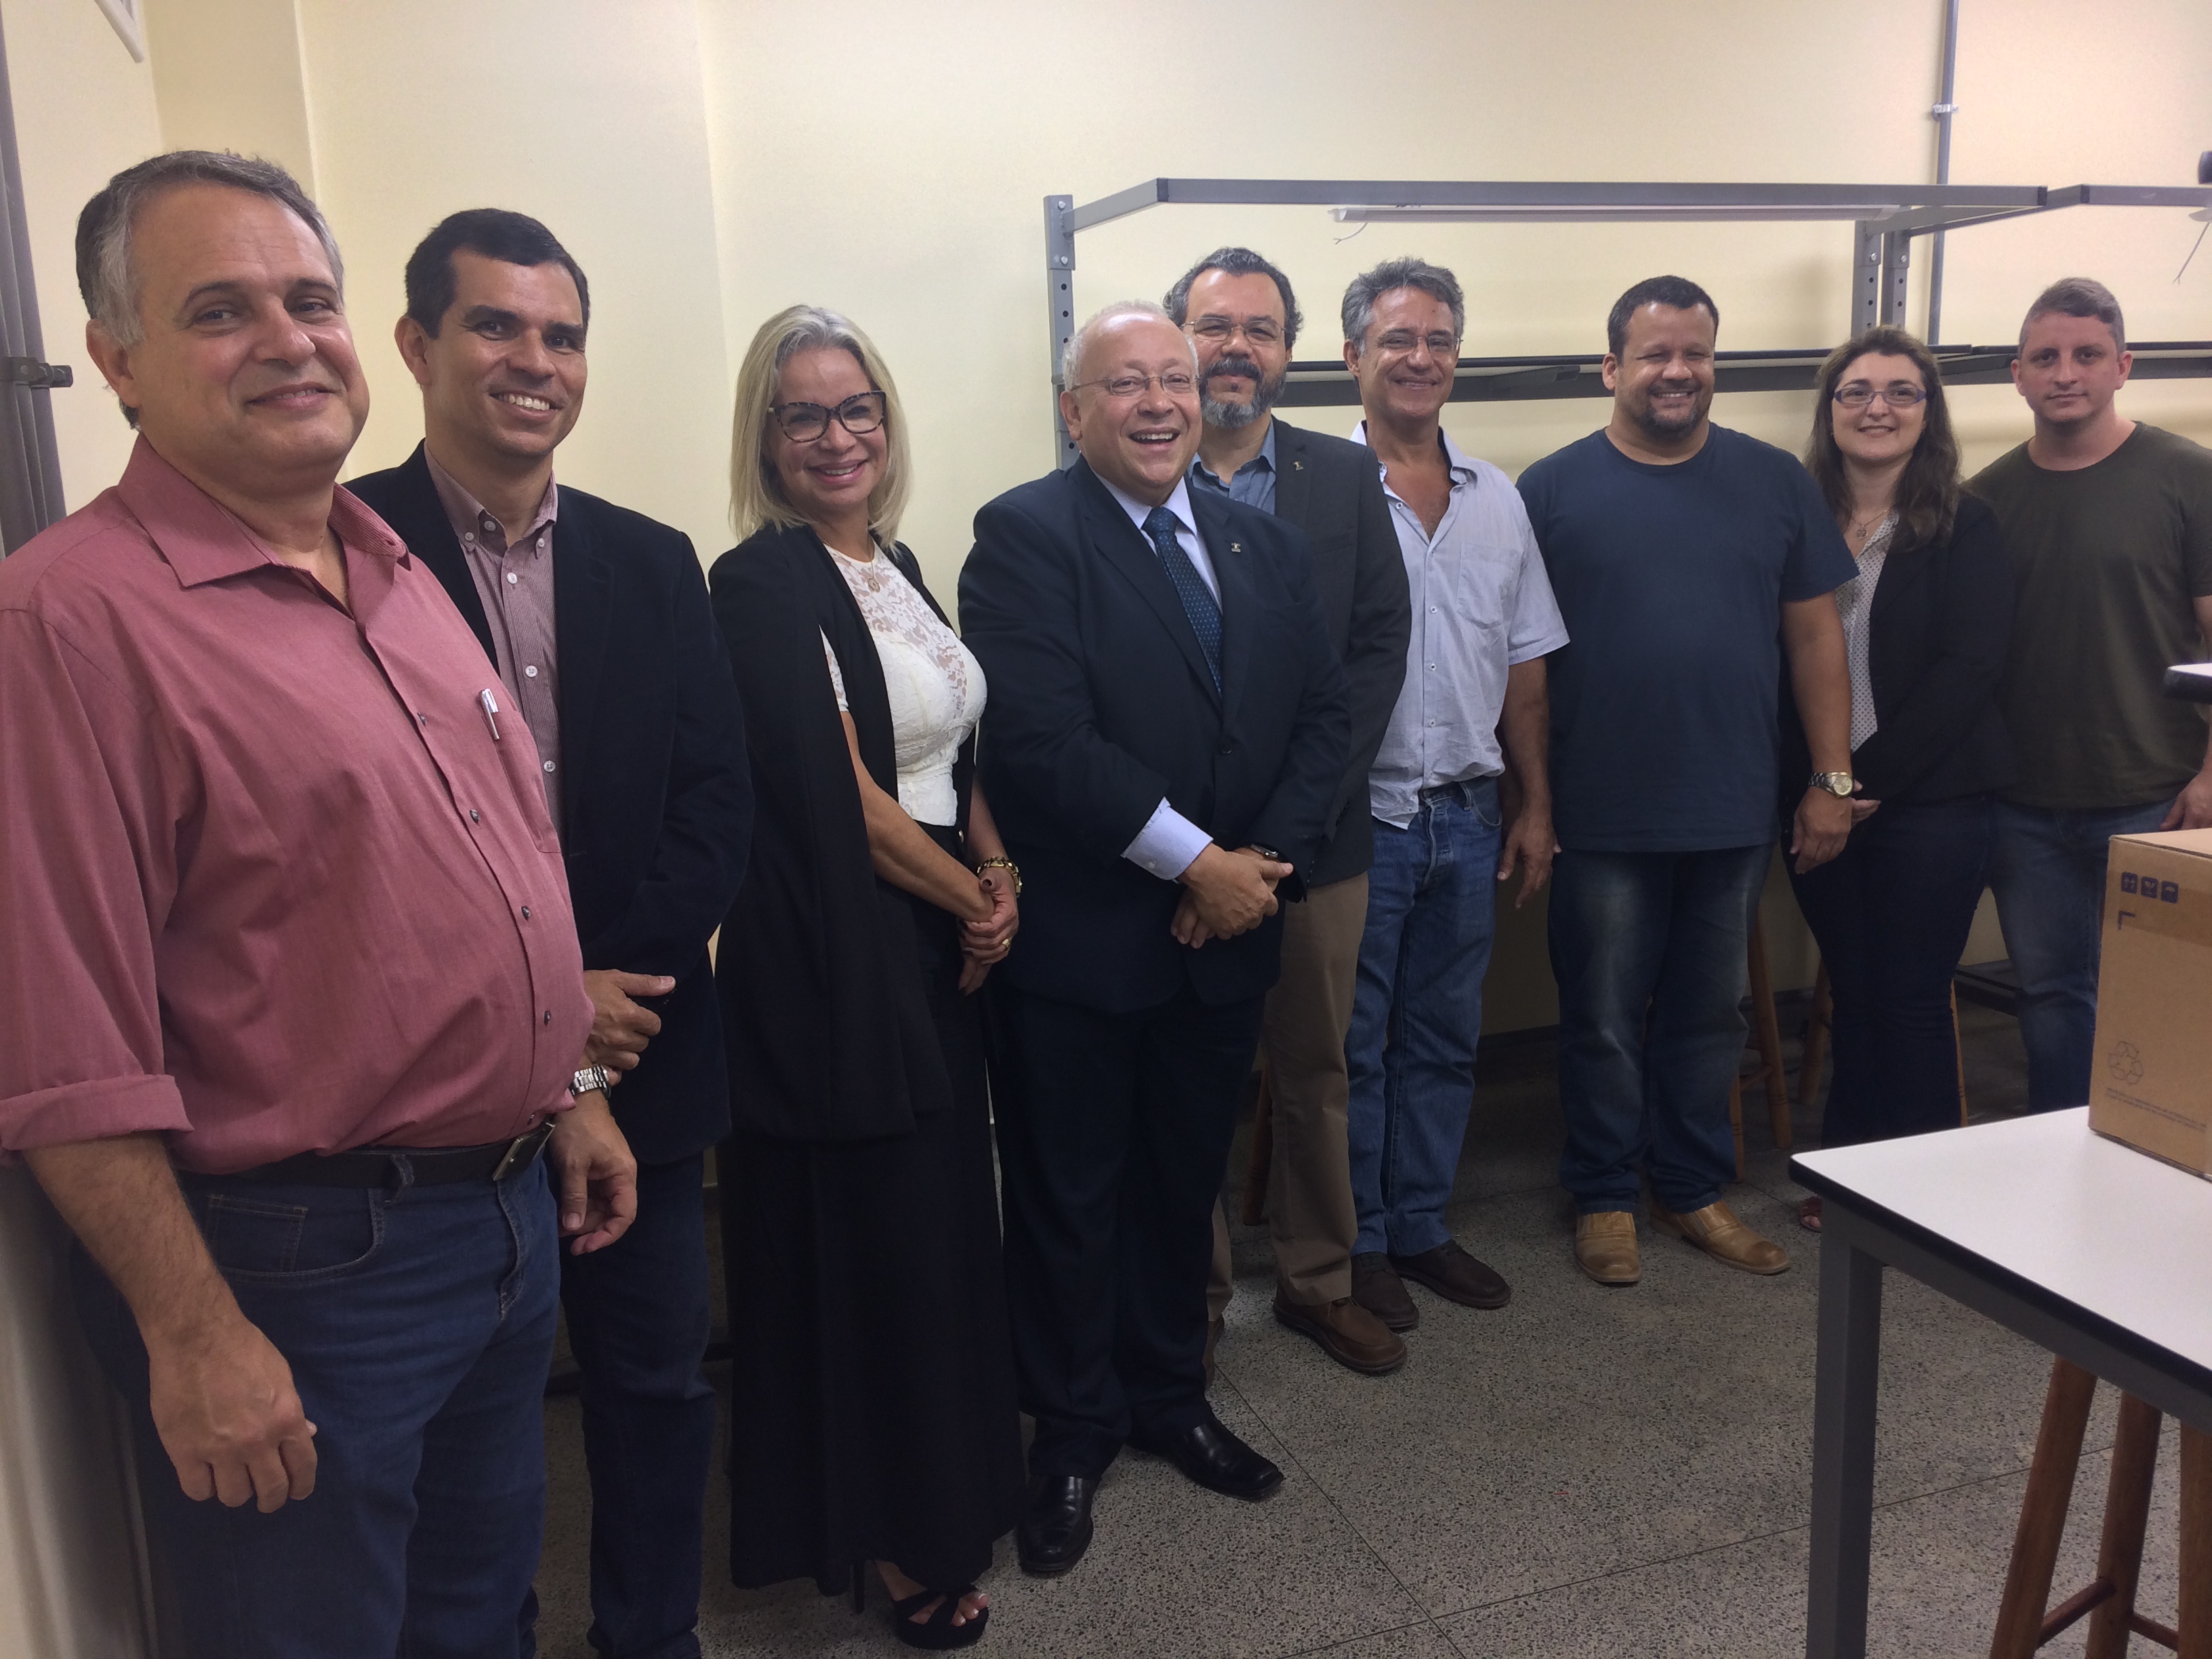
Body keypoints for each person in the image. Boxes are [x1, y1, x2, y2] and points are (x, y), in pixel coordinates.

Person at [0, 150, 634, 1657]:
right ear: (116, 361)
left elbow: (492, 879)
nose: (288, 341)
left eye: (309, 300)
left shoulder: (392, 566)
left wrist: (572, 1089)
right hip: (299, 1269)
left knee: (479, 1618)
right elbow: (63, 1042)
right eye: (219, 310)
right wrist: (192, 1330)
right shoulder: (65, 622)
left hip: (499, 1217)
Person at [347, 208, 754, 1659]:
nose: (536, 360)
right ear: (418, 345)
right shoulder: (343, 549)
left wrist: (602, 993)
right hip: (445, 1079)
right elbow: (369, 846)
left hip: (646, 1050)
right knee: (474, 1412)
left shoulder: (653, 559)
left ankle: (651, 1633)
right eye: (496, 326)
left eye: (562, 335)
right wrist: (543, 996)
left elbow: (716, 800)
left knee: (655, 1380)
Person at [959, 302, 1348, 1574]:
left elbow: (1322, 717)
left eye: (1173, 379)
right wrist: (1197, 862)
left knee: (1181, 1189)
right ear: (1074, 407)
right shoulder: (1024, 535)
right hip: (1085, 947)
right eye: (1124, 383)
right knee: (1070, 1197)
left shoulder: (1259, 540)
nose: (1158, 403)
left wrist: (1254, 870)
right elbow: (1042, 740)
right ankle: (1071, 1432)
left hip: (1223, 938)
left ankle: (1169, 1397)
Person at [709, 305, 1023, 1650]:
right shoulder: (760, 583)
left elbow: (955, 750)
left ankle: (952, 1493)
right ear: (766, 437)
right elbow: (839, 795)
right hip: (848, 949)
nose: (835, 436)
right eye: (803, 415)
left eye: (856, 409)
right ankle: (892, 1530)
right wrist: (972, 901)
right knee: (878, 1248)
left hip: (939, 925)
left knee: (941, 1235)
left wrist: (994, 870)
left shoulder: (896, 563)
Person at [1518, 274, 1856, 1288]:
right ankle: (1605, 1195)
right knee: (1603, 1015)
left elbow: (1815, 639)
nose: (1678, 371)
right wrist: (1532, 799)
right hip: (1601, 809)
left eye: (1696, 353)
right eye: (1656, 354)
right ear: (1611, 367)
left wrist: (1832, 778)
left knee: (1714, 1016)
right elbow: (1521, 662)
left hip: (1731, 803)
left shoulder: (1774, 481)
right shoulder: (1549, 491)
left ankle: (1692, 1186)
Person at [1164, 246, 1413, 1377]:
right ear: (1179, 340)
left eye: (1259, 329)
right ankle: (1195, 1300)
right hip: (1173, 853)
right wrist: (1194, 850)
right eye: (1213, 326)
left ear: (1290, 351)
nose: (1235, 348)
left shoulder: (1343, 475)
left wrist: (1274, 837)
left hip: (1316, 841)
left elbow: (1375, 648)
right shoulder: (1132, 471)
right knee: (1188, 1082)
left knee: (1316, 1072)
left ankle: (1319, 1282)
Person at [1330, 258, 1567, 1335]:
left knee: (1441, 1036)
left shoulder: (1497, 499)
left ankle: (1422, 1223)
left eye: (1438, 341)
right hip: (1360, 818)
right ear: (1354, 357)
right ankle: (1360, 1243)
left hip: (1469, 815)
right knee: (1354, 1046)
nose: (1419, 358)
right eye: (1398, 339)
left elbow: (1526, 665)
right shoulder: (1317, 494)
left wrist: (1534, 805)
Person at [1785, 326, 2015, 1229]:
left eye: (1901, 392)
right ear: (1830, 409)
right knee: (1854, 986)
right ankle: (1850, 1176)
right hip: (1818, 801)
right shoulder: (1796, 517)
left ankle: (1923, 1198)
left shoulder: (1966, 523)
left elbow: (1971, 669)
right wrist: (1821, 788)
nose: (1877, 408)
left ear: (1929, 411)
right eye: (1857, 391)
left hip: (1933, 803)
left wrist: (1849, 785)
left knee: (1911, 997)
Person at [1970, 278, 2212, 1111]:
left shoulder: (2189, 478)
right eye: (2045, 358)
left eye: (2086, 355)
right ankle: (2062, 1146)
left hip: (2157, 796)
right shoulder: (1986, 499)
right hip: (2025, 804)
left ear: (2123, 366)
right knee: (2050, 996)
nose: (2065, 373)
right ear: (2018, 375)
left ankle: (2155, 1159)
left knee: (2159, 1000)